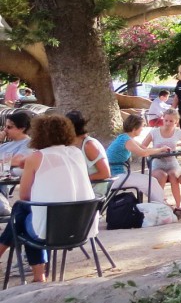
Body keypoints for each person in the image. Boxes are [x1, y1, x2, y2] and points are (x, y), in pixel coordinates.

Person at [0, 115, 96, 283]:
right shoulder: (76, 153)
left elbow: (24, 196)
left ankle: (38, 275)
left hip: (49, 231)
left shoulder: (36, 157)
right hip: (81, 227)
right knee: (24, 213)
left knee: (21, 211)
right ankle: (37, 276)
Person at [105, 114, 168, 204]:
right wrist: (161, 149)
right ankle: (163, 206)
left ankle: (161, 204)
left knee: (149, 182)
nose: (142, 129)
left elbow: (143, 147)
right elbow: (142, 153)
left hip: (116, 174)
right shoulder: (126, 140)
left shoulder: (124, 137)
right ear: (134, 129)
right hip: (116, 176)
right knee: (150, 181)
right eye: (141, 127)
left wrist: (159, 149)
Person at [141, 108, 181, 216]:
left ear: (176, 122)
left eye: (171, 121)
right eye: (166, 120)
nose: (168, 123)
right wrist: (155, 152)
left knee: (173, 176)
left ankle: (179, 205)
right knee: (162, 176)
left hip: (172, 162)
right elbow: (143, 146)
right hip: (157, 162)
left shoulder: (179, 132)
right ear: (162, 120)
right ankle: (160, 203)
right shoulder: (154, 132)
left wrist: (177, 151)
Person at [66, 110, 112, 187]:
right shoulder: (74, 144)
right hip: (84, 188)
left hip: (95, 191)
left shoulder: (89, 145)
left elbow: (105, 173)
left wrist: (79, 180)